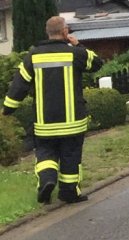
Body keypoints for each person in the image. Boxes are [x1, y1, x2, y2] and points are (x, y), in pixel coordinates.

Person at [3, 16, 104, 204]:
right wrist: (78, 44)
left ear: (47, 32)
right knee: (70, 156)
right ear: (65, 32)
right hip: (72, 122)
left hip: (45, 123)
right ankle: (68, 192)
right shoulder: (75, 54)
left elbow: (19, 86)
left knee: (45, 154)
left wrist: (7, 109)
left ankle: (47, 180)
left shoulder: (32, 56)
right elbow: (97, 63)